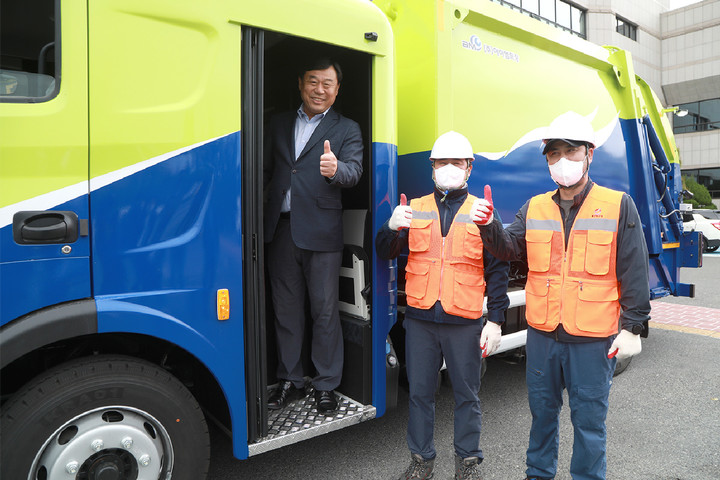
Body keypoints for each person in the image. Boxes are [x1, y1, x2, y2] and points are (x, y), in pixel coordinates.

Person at [473, 111, 651, 480]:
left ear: (590, 154)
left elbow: (633, 269)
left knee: (588, 424)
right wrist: (488, 224)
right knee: (541, 416)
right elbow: (508, 249)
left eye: (571, 152)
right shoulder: (534, 206)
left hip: (592, 338)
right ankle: (538, 474)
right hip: (543, 335)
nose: (562, 161)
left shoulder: (618, 205)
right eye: (554, 154)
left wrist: (633, 327)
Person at [376, 131, 510, 480]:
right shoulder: (414, 208)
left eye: (457, 162)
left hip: (464, 320)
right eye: (442, 163)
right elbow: (383, 251)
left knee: (467, 396)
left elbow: (498, 268)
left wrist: (495, 320)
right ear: (432, 168)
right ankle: (422, 461)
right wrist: (390, 228)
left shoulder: (481, 211)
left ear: (469, 168)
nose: (449, 168)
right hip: (420, 320)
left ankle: (467, 464)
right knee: (421, 395)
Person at [263, 58, 363, 414]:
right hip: (281, 228)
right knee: (285, 310)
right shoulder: (276, 124)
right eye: (313, 82)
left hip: (321, 232)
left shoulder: (347, 128)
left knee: (323, 312)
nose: (320, 89)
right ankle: (291, 379)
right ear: (300, 83)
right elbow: (266, 172)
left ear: (337, 90)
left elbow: (354, 172)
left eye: (328, 84)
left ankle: (325, 385)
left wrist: (336, 170)